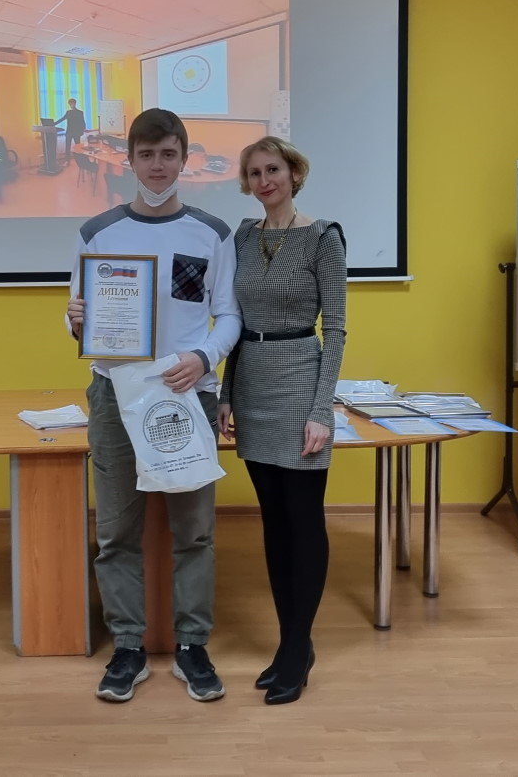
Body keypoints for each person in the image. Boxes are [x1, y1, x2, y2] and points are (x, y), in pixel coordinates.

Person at [66, 108, 240, 704]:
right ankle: (127, 647)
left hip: (187, 391)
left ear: (184, 158)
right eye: (147, 155)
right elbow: (80, 318)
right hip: (115, 392)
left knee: (195, 532)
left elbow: (229, 314)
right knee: (117, 531)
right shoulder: (98, 232)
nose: (158, 166)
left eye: (168, 154)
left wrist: (203, 357)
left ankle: (193, 645)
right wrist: (75, 321)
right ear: (130, 160)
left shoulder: (213, 233)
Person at [216, 136, 346, 706]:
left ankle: (297, 647)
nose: (265, 180)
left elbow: (335, 331)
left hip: (299, 382)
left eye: (273, 169)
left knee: (303, 518)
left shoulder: (324, 237)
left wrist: (321, 410)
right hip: (251, 382)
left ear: (294, 173)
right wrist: (226, 393)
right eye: (254, 173)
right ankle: (291, 641)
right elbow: (234, 320)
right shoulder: (242, 237)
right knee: (272, 521)